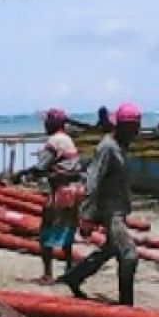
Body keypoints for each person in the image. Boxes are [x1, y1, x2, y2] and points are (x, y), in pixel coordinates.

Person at [58, 102, 142, 304]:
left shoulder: (121, 145)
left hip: (118, 209)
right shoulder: (107, 148)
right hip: (109, 212)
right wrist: (86, 216)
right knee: (129, 255)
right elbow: (92, 181)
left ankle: (75, 276)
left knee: (111, 249)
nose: (138, 131)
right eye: (135, 127)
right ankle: (126, 303)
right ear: (123, 127)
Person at [15, 109, 83, 283]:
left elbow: (40, 167)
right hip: (75, 191)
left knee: (46, 231)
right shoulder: (68, 139)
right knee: (68, 229)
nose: (44, 124)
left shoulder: (54, 141)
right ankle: (69, 268)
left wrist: (21, 174)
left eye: (47, 122)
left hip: (60, 191)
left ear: (54, 123)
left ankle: (47, 274)